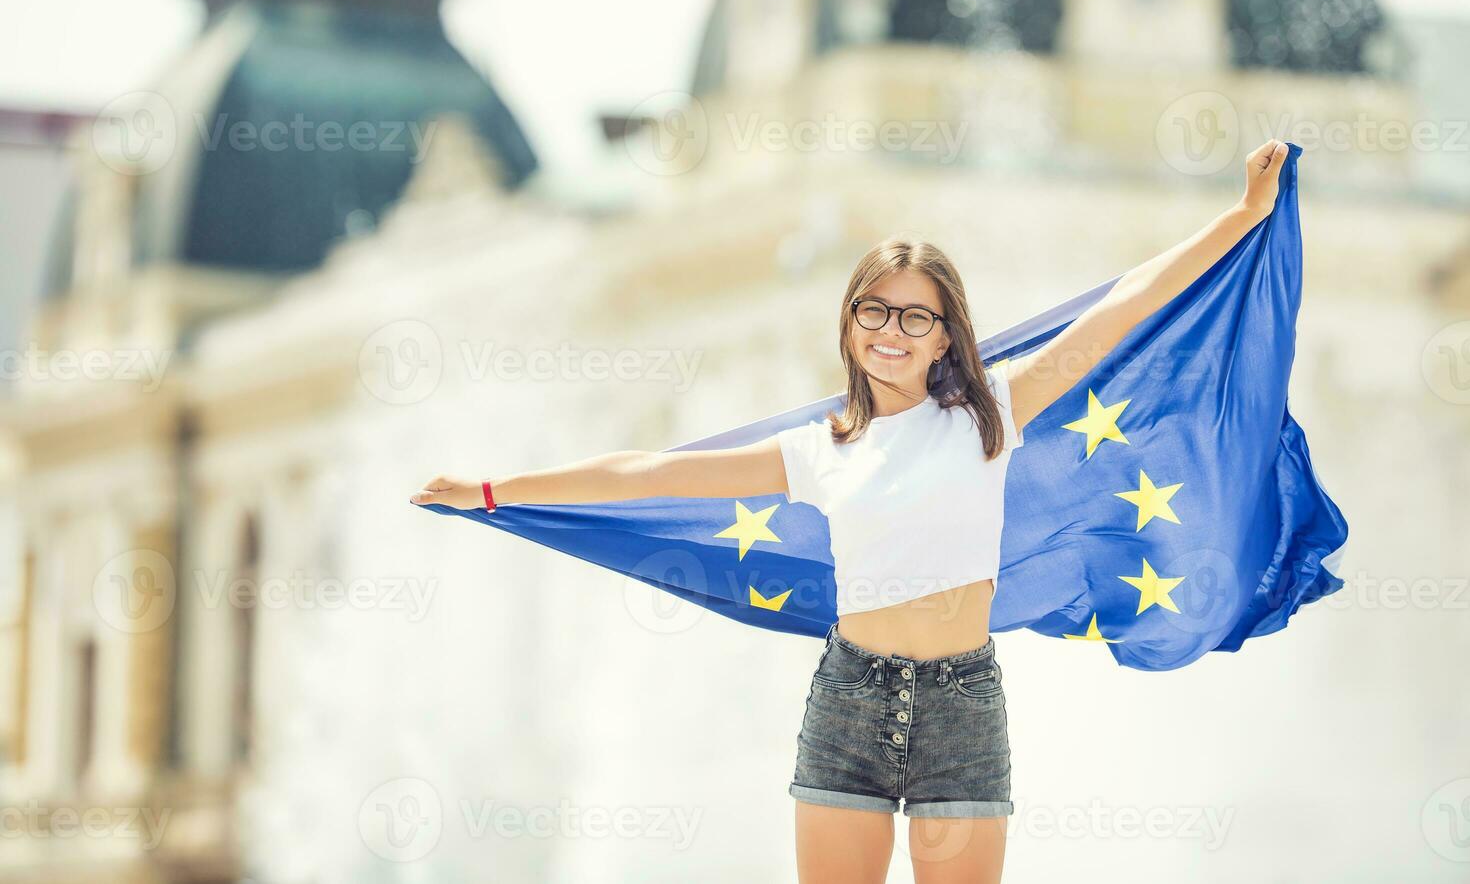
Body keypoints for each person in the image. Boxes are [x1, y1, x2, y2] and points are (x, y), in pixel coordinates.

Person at [410, 139, 1291, 882]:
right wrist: (490, 492)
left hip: (961, 706)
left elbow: (1124, 305)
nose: (893, 331)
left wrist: (1244, 215)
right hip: (849, 704)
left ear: (947, 337)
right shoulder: (818, 449)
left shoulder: (994, 418)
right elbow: (645, 473)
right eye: (876, 310)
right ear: (850, 324)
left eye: (918, 317)